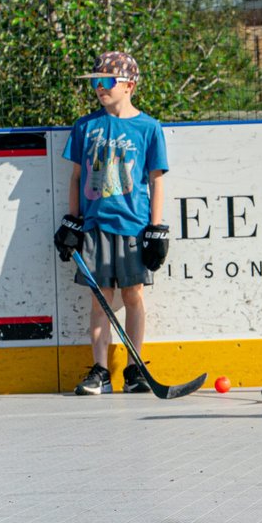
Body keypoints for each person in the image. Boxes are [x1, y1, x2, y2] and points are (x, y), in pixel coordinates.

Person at [54, 51, 170, 395]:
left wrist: (156, 228)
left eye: (106, 82)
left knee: (133, 294)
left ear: (129, 85)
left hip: (133, 224)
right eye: (95, 82)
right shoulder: (85, 126)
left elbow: (156, 179)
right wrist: (73, 222)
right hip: (95, 226)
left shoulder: (148, 127)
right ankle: (101, 371)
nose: (99, 88)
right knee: (100, 297)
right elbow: (76, 178)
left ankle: (134, 369)